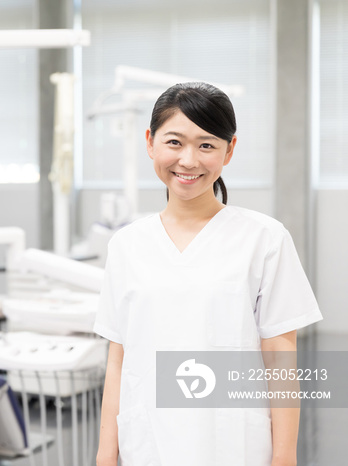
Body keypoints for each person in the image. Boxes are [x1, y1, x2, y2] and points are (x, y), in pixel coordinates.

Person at [93, 82, 323, 466]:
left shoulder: (264, 239)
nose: (188, 160)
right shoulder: (126, 245)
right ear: (150, 142)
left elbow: (281, 356)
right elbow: (118, 359)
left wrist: (285, 458)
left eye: (206, 145)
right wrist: (105, 455)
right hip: (147, 444)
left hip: (233, 446)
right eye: (174, 142)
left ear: (228, 150)